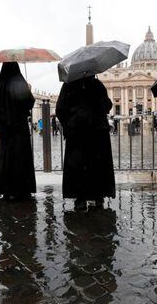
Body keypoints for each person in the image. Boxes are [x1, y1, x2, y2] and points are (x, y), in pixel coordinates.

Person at [56, 76, 115, 211]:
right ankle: (98, 196)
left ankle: (80, 199)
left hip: (77, 130)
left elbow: (60, 109)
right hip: (97, 130)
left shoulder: (69, 85)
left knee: (79, 165)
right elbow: (107, 105)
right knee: (97, 165)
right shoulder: (97, 84)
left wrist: (68, 123)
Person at [0, 62, 36, 201]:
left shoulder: (0, 85)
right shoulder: (20, 82)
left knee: (7, 158)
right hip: (19, 127)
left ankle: (7, 190)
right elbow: (29, 103)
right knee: (21, 157)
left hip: (5, 129)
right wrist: (28, 89)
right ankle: (22, 189)